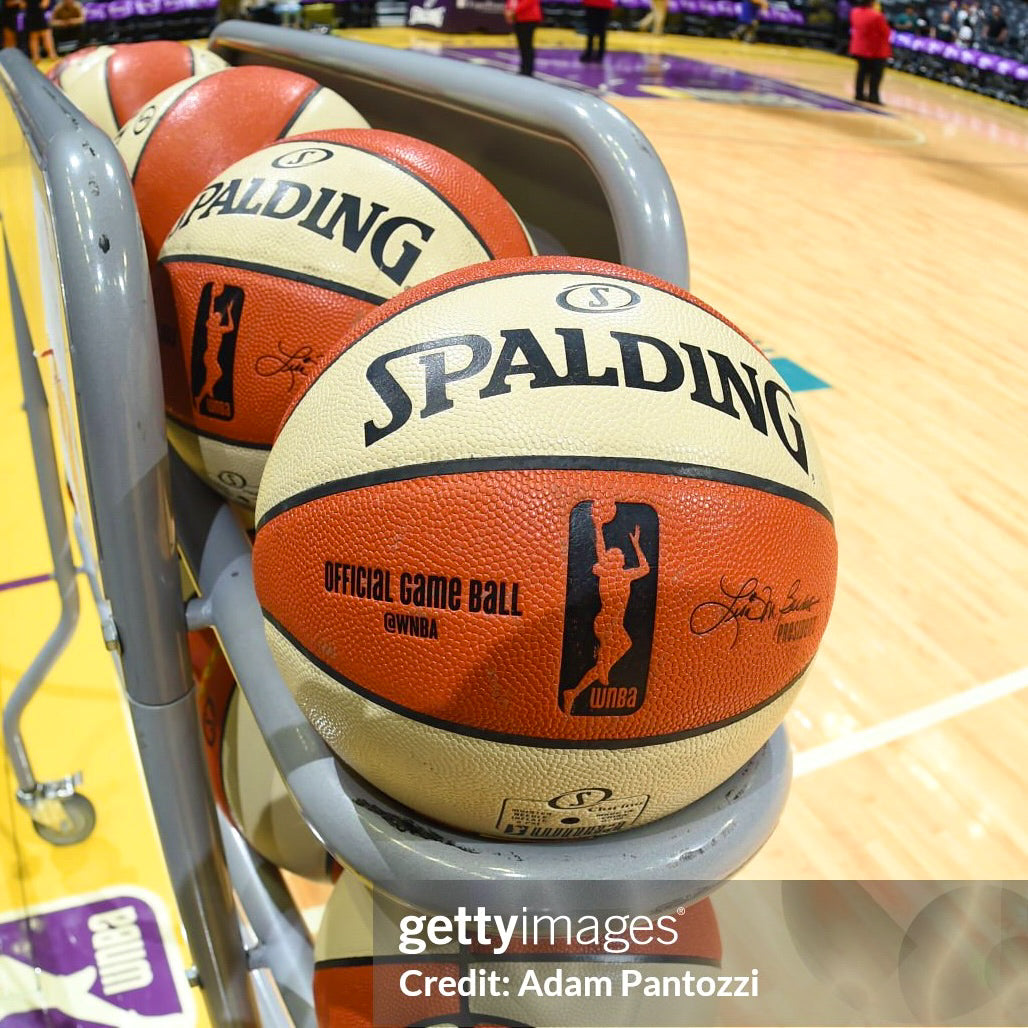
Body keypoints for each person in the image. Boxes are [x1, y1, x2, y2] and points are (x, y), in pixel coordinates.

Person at [850, 0, 891, 104]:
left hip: (859, 48)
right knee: (876, 74)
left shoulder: (854, 12)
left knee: (861, 72)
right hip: (875, 50)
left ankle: (859, 94)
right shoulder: (877, 16)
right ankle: (873, 96)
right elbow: (886, 32)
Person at [505, 0, 541, 76]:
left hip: (529, 18)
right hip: (518, 18)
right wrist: (509, 10)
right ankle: (523, 67)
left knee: (527, 44)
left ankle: (528, 69)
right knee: (522, 44)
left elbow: (528, 2)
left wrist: (514, 11)